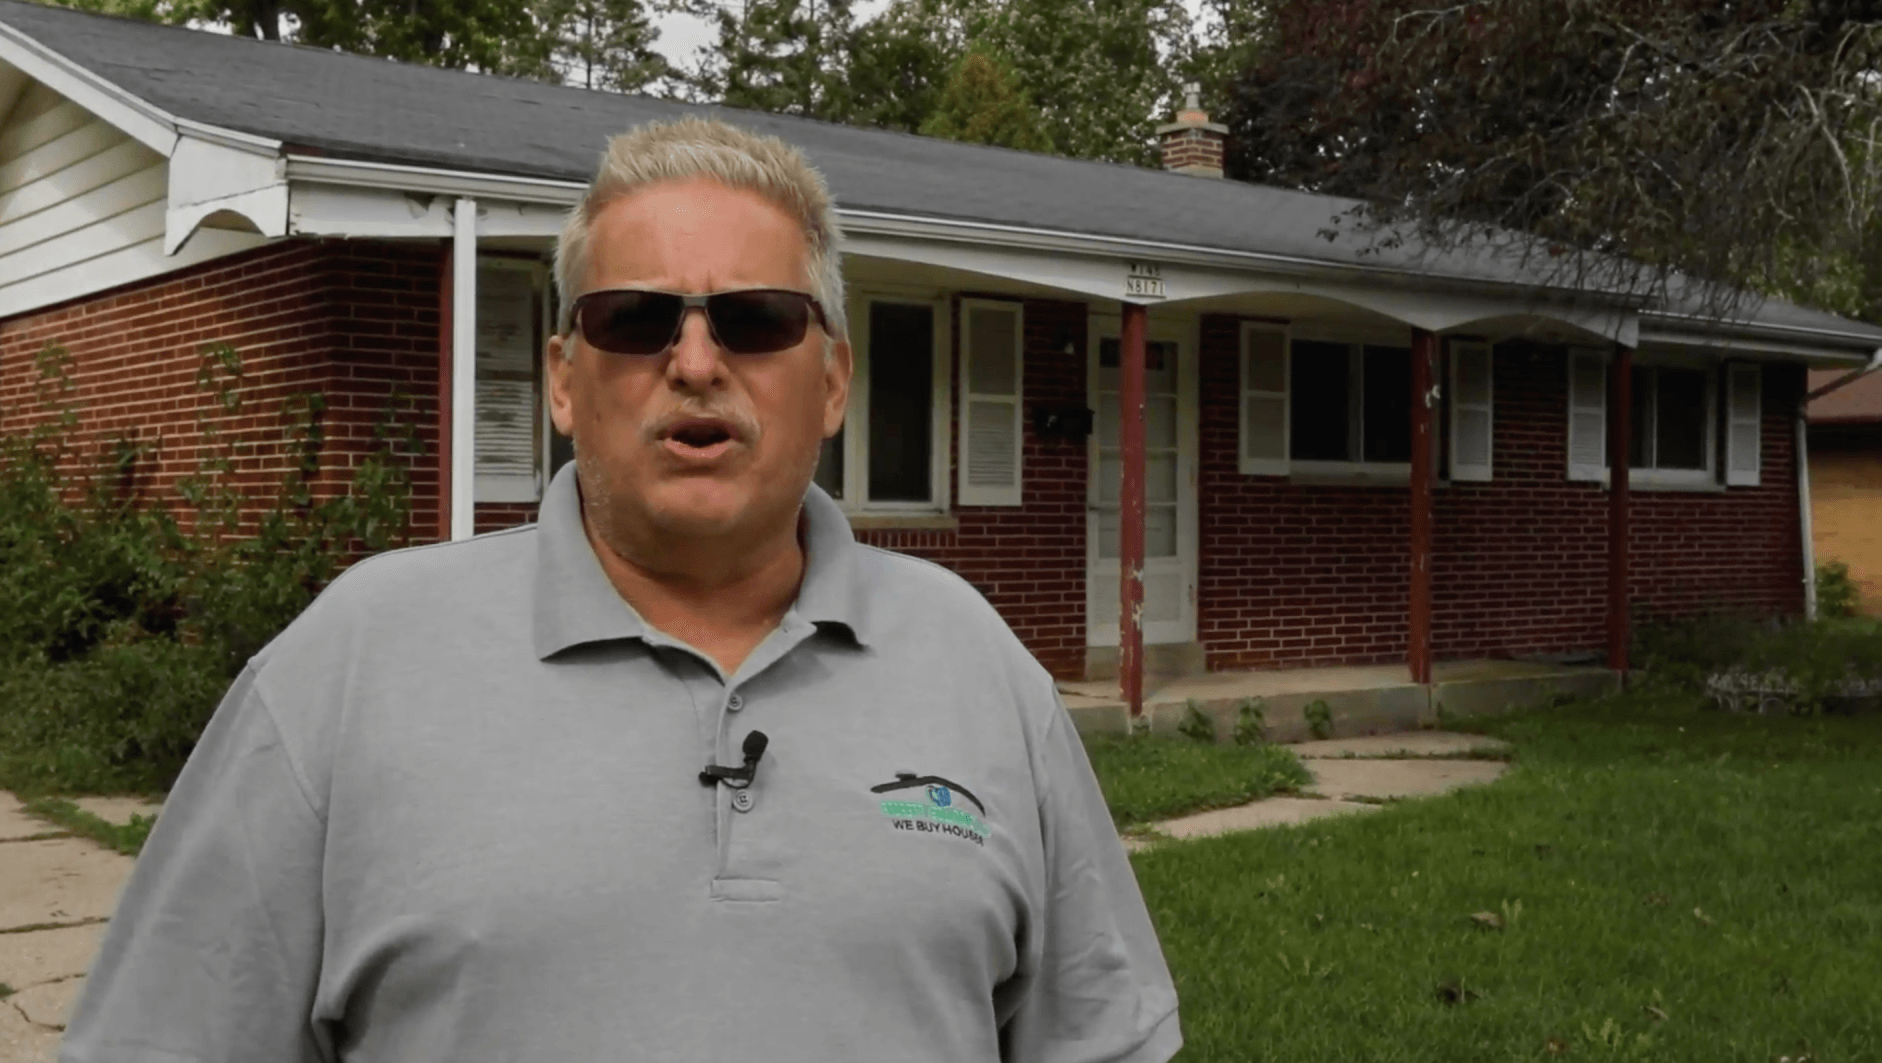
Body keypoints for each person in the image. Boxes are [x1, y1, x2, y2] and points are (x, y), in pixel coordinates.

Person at [59, 117, 1181, 1063]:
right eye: (636, 321)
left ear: (831, 380)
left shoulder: (976, 661)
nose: (695, 363)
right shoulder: (348, 664)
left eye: (755, 320)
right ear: (561, 378)